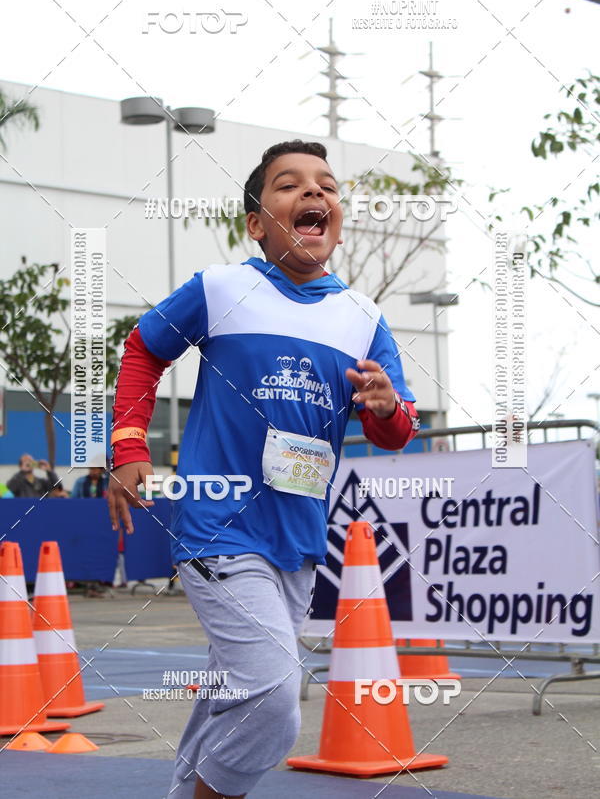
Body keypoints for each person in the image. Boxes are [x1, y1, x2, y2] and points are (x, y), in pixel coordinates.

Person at [107, 140, 420, 799]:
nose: (313, 194)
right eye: (289, 185)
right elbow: (141, 350)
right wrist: (129, 450)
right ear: (256, 222)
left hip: (299, 539)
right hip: (218, 525)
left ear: (337, 217)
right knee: (275, 700)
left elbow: (395, 431)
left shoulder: (364, 321)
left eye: (326, 186)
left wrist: (389, 407)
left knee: (231, 692)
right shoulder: (222, 289)